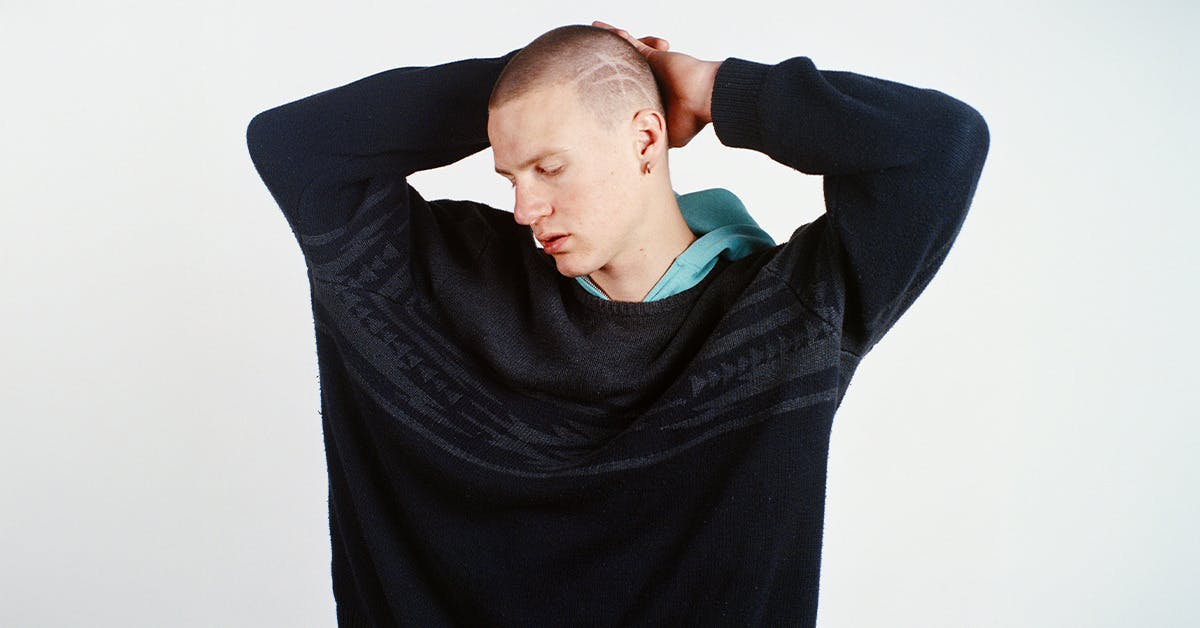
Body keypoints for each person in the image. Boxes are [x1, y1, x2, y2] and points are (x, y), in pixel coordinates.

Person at [247, 21, 989, 627]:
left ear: (644, 140)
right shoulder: (433, 281)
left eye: (550, 167)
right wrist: (554, 72)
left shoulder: (788, 314)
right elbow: (293, 144)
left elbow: (941, 145)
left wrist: (708, 85)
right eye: (510, 176)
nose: (524, 208)